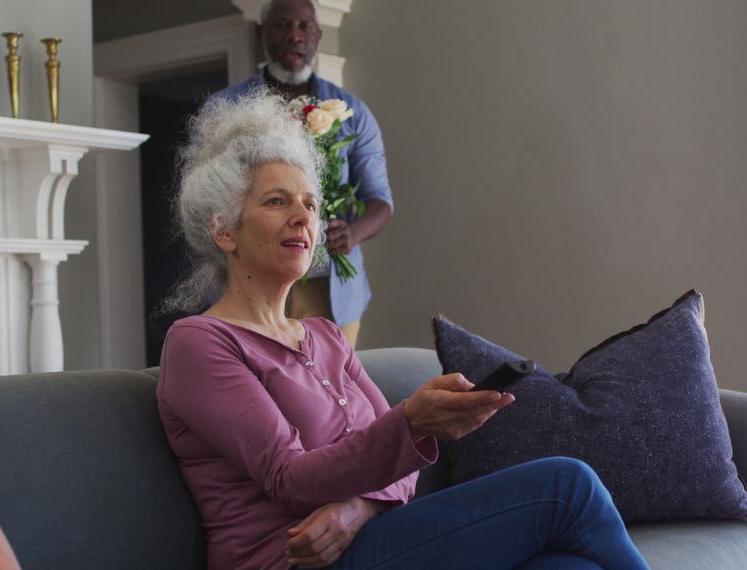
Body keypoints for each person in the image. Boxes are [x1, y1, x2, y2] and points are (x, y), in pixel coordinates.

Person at [157, 91, 650, 570]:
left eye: (310, 203)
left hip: (375, 540)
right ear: (224, 230)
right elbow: (291, 478)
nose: (302, 217)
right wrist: (413, 422)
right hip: (290, 561)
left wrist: (361, 508)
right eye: (276, 201)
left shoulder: (325, 337)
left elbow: (405, 469)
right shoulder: (200, 343)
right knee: (568, 485)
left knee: (568, 565)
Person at [207, 0, 392, 348]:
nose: (294, 35)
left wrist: (352, 232)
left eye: (304, 26)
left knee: (331, 390)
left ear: (318, 35)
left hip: (332, 289)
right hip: (250, 282)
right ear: (262, 33)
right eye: (282, 26)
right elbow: (206, 196)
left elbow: (380, 199)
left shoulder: (353, 112)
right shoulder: (224, 110)